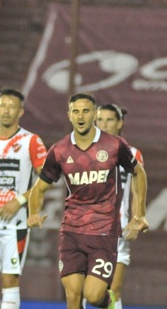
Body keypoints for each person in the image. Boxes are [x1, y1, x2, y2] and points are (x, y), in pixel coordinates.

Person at [27, 93, 149, 309]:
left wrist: (139, 214)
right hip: (72, 232)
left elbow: (138, 173)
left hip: (104, 232)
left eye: (85, 111)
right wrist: (33, 212)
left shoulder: (114, 145)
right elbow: (39, 188)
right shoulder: (60, 150)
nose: (80, 116)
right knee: (73, 297)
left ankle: (107, 301)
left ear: (94, 114)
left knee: (93, 296)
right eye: (75, 111)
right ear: (69, 115)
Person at [0, 87, 47, 309]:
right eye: (2, 105)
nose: (6, 111)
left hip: (16, 223)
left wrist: (21, 201)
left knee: (9, 279)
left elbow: (46, 180)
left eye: (11, 107)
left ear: (21, 112)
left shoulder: (31, 141)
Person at [91, 104, 144, 309]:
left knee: (113, 290)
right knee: (88, 291)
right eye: (100, 120)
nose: (104, 125)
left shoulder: (132, 154)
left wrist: (136, 218)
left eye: (109, 120)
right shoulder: (82, 151)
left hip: (117, 230)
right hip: (86, 229)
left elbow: (137, 190)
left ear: (120, 123)